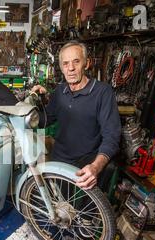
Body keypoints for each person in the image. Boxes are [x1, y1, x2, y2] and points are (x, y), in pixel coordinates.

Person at [32, 40, 121, 190]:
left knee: (83, 211)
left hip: (86, 162)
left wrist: (95, 167)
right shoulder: (60, 92)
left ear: (86, 63)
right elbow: (45, 120)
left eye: (76, 62)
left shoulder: (102, 92)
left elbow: (112, 136)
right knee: (57, 207)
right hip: (59, 161)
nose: (71, 68)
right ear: (61, 67)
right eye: (65, 64)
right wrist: (31, 106)